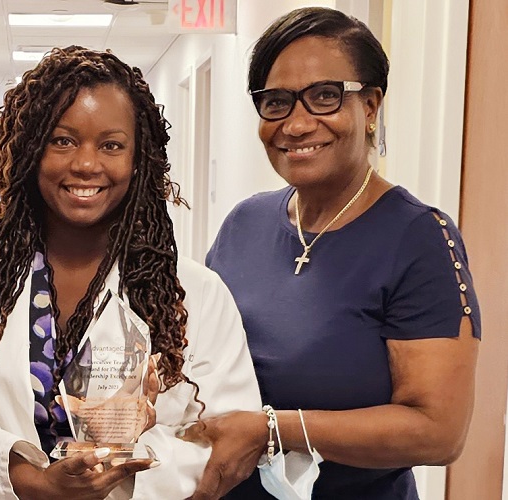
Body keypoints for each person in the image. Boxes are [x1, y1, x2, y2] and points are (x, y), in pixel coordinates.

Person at [0, 46, 261, 500]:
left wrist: (113, 472)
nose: (86, 164)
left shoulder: (194, 295)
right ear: (31, 150)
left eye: (111, 145)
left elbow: (225, 434)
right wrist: (31, 480)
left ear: (138, 161)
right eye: (63, 140)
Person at [180, 7, 481, 500]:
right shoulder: (244, 224)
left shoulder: (418, 238)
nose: (296, 125)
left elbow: (439, 431)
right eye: (276, 102)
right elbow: (198, 354)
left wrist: (273, 429)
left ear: (370, 106)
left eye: (324, 96)